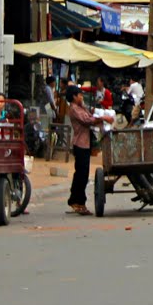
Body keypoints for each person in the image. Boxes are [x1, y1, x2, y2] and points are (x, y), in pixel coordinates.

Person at [65, 83, 103, 216]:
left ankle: (74, 200)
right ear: (74, 97)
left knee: (81, 174)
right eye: (80, 95)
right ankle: (79, 202)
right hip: (80, 144)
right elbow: (87, 120)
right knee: (82, 175)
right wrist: (103, 118)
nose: (82, 97)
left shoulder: (80, 107)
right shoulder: (74, 109)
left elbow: (88, 115)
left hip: (85, 144)